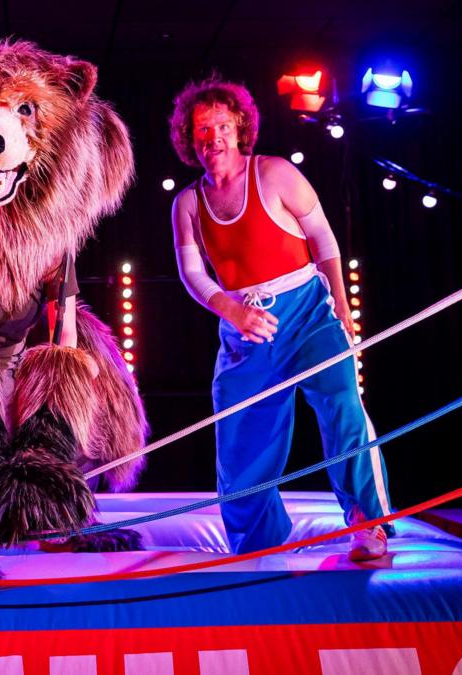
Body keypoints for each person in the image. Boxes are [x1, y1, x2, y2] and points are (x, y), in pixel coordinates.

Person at [168, 77, 393, 561]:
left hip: (307, 312)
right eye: (202, 129)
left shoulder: (275, 174)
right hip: (243, 326)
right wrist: (232, 311)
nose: (214, 137)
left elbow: (324, 242)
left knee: (342, 407)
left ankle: (368, 523)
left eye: (223, 126)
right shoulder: (187, 203)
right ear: (190, 139)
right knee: (240, 436)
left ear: (241, 127)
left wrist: (342, 306)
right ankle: (257, 544)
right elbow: (191, 273)